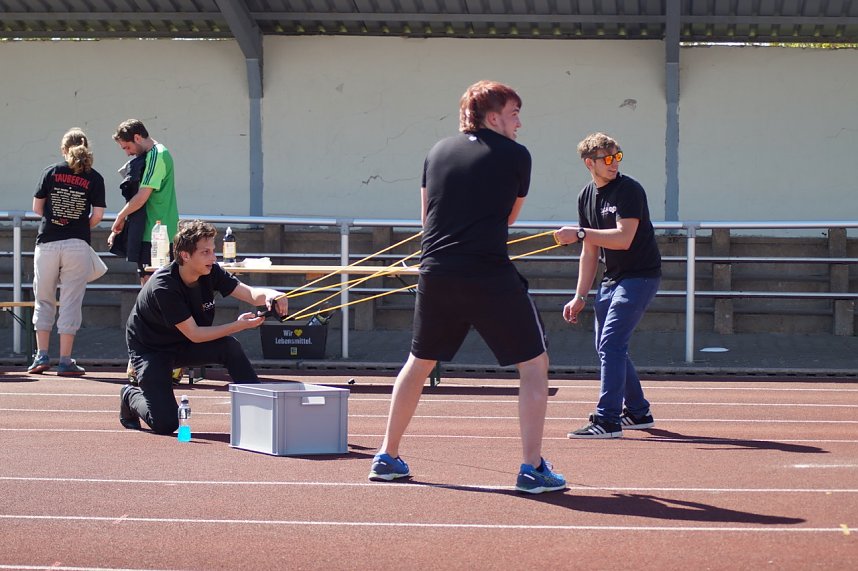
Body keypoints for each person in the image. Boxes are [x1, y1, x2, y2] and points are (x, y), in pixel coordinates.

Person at [368, 80, 566, 494]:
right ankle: (531, 467)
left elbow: (427, 217)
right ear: (493, 117)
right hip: (487, 272)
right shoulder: (516, 155)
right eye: (514, 114)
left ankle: (387, 455)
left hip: (436, 271)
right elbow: (508, 218)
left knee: (418, 362)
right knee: (533, 365)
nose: (519, 123)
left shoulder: (436, 151)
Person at [119, 219, 288, 435]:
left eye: (213, 250)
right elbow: (196, 334)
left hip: (183, 342)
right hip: (151, 350)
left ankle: (263, 410)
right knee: (166, 424)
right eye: (205, 252)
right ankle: (129, 395)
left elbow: (251, 294)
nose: (213, 257)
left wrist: (273, 294)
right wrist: (238, 325)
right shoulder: (164, 286)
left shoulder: (212, 271)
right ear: (185, 255)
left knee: (230, 347)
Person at [554, 132, 662, 438]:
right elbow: (589, 252)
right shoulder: (585, 197)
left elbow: (623, 238)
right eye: (607, 159)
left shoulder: (629, 190)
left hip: (640, 275)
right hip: (612, 278)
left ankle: (608, 420)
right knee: (607, 347)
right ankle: (639, 413)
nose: (614, 164)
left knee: (612, 344)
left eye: (617, 157)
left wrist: (579, 234)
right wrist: (579, 296)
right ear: (590, 163)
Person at [28, 128, 106, 376]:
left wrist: (58, 217)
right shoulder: (95, 177)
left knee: (44, 298)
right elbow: (98, 216)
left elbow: (37, 208)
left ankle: (41, 356)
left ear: (63, 149)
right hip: (77, 243)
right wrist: (78, 223)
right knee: (71, 301)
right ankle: (65, 360)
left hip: (48, 242)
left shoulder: (50, 172)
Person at [109, 119, 179, 284]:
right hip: (149, 231)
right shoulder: (151, 155)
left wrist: (119, 217)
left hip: (157, 233)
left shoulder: (157, 154)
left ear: (138, 138)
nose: (127, 153)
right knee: (149, 284)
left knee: (155, 285)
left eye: (127, 147)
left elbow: (142, 196)